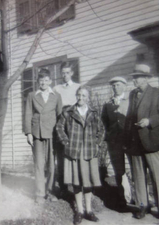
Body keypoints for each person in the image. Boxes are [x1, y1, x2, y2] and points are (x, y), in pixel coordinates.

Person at [123, 64, 159, 219]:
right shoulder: (132, 94)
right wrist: (127, 139)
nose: (135, 80)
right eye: (134, 77)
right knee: (138, 176)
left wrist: (149, 121)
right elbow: (130, 117)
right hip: (135, 143)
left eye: (137, 77)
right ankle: (143, 205)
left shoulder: (157, 93)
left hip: (152, 141)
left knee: (157, 175)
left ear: (145, 78)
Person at [56, 86, 105, 225]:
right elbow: (59, 127)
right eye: (78, 95)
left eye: (84, 96)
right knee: (77, 182)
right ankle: (80, 211)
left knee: (88, 182)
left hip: (89, 152)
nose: (81, 98)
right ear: (76, 96)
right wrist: (66, 141)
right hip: (75, 151)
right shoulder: (68, 112)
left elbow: (101, 129)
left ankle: (89, 211)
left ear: (88, 97)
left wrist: (97, 143)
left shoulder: (94, 113)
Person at [24, 68, 62, 204]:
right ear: (38, 82)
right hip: (37, 133)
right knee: (39, 164)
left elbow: (60, 116)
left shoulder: (56, 96)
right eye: (41, 81)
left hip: (52, 133)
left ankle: (50, 192)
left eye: (46, 80)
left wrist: (60, 134)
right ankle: (40, 193)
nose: (44, 83)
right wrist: (28, 133)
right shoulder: (32, 95)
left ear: (50, 81)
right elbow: (28, 114)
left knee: (52, 165)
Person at [101, 76, 131, 210]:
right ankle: (123, 200)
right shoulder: (108, 104)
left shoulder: (131, 101)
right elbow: (105, 122)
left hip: (130, 140)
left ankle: (142, 200)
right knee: (119, 171)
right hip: (114, 141)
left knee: (136, 169)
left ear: (124, 86)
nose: (116, 88)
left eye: (118, 85)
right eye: (113, 86)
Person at [53, 61, 81, 193]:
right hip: (61, 123)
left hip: (74, 123)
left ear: (72, 73)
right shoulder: (56, 89)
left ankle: (77, 184)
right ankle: (63, 186)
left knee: (75, 151)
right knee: (61, 153)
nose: (65, 75)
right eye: (63, 73)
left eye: (67, 73)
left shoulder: (78, 87)